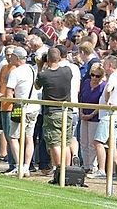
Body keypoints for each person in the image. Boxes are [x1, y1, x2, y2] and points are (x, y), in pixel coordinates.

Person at [35, 47, 74, 177]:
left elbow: (37, 86)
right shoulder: (67, 71)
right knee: (66, 143)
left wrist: (40, 66)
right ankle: (67, 172)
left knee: (54, 143)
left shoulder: (43, 74)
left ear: (48, 59)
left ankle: (59, 171)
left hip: (52, 113)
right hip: (67, 112)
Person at [5, 46, 39, 176]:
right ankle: (26, 166)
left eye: (13, 56)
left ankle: (19, 165)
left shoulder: (15, 72)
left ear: (17, 58)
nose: (10, 58)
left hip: (20, 107)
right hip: (34, 107)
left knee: (13, 137)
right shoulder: (32, 69)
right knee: (29, 137)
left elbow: (9, 94)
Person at [92, 55, 117, 180]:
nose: (103, 66)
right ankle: (113, 172)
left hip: (109, 116)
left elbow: (109, 88)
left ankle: (101, 170)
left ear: (109, 65)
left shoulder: (114, 77)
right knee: (112, 144)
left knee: (98, 142)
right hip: (114, 116)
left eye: (104, 64)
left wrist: (108, 100)